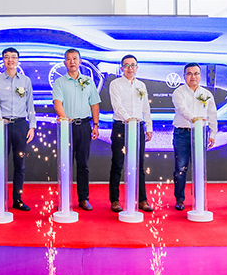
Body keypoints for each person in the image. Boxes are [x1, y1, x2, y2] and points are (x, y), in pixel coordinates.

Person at [52, 48, 101, 211]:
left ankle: (83, 198)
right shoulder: (59, 82)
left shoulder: (88, 81)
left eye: (75, 58)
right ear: (64, 62)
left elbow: (94, 103)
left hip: (85, 126)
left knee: (83, 164)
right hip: (67, 127)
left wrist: (95, 125)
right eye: (68, 59)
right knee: (65, 164)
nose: (72, 61)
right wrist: (65, 119)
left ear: (80, 61)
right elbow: (57, 102)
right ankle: (64, 198)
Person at [0, 47, 36, 211]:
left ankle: (18, 199)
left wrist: (32, 126)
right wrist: (0, 120)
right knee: (1, 163)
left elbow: (30, 104)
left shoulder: (25, 81)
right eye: (7, 57)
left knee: (19, 164)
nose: (10, 60)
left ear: (18, 60)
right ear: (3, 60)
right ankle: (0, 199)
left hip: (21, 125)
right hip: (3, 125)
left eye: (13, 57)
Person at [108, 55, 153, 213]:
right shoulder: (115, 84)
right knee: (118, 163)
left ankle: (142, 200)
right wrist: (128, 119)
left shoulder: (141, 85)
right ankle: (115, 200)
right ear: (122, 68)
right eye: (126, 65)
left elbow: (145, 107)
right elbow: (116, 105)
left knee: (139, 165)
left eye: (133, 65)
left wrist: (148, 126)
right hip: (121, 127)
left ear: (137, 68)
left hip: (138, 127)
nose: (130, 68)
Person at [172, 62, 218, 210]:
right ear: (184, 76)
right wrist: (196, 119)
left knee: (199, 167)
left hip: (200, 133)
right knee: (181, 168)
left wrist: (212, 133)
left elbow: (212, 115)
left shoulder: (207, 94)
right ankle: (180, 199)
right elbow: (182, 109)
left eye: (196, 73)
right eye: (189, 74)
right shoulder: (178, 92)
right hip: (182, 133)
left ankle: (199, 199)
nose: (193, 76)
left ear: (200, 75)